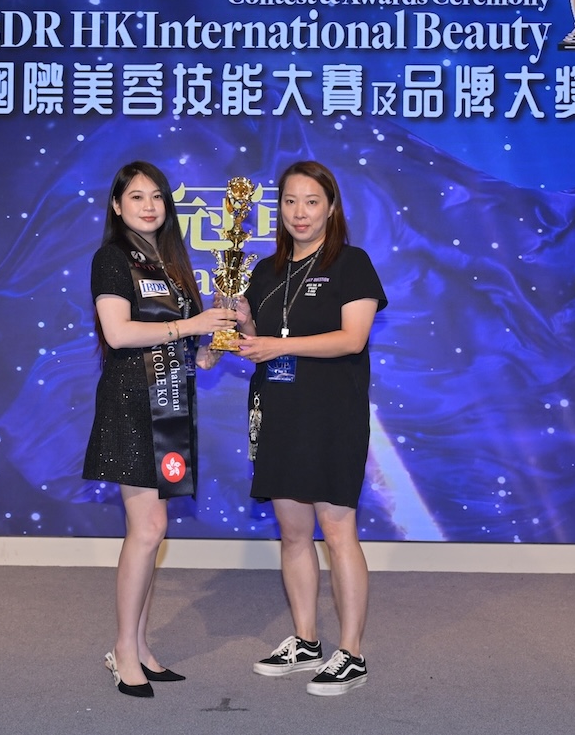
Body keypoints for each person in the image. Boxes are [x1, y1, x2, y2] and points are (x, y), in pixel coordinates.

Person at [83, 160, 237, 698]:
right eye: (136, 196)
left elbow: (186, 349)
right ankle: (123, 649)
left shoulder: (171, 263)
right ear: (116, 205)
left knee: (154, 531)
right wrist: (191, 324)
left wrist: (214, 343)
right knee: (146, 530)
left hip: (169, 405)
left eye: (156, 196)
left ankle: (141, 646)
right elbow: (119, 333)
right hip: (131, 405)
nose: (149, 206)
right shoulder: (111, 258)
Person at [235, 160, 388, 696]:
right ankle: (305, 640)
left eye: (311, 201)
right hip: (279, 412)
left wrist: (277, 344)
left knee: (338, 531)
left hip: (331, 415)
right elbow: (257, 337)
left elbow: (352, 338)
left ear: (331, 208)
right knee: (294, 533)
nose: (299, 212)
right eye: (290, 201)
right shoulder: (265, 270)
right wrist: (240, 322)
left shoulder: (351, 263)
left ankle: (352, 652)